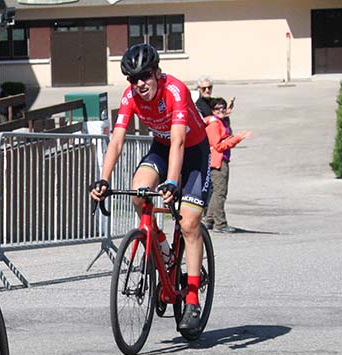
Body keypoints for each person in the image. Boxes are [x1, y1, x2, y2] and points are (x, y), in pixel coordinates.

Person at [90, 43, 211, 331]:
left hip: (193, 152)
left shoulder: (175, 91)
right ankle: (163, 250)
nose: (139, 84)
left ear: (157, 73)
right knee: (138, 192)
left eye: (145, 76)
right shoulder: (129, 96)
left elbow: (179, 141)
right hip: (161, 148)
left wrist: (172, 182)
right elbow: (117, 141)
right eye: (133, 79)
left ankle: (192, 298)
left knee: (189, 223)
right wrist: (103, 179)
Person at [202, 97, 252, 233]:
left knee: (216, 192)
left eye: (223, 108)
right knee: (220, 193)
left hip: (220, 160)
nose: (221, 110)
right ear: (212, 110)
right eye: (217, 108)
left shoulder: (219, 121)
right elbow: (218, 146)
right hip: (218, 162)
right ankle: (220, 223)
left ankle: (209, 219)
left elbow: (224, 136)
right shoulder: (214, 124)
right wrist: (238, 138)